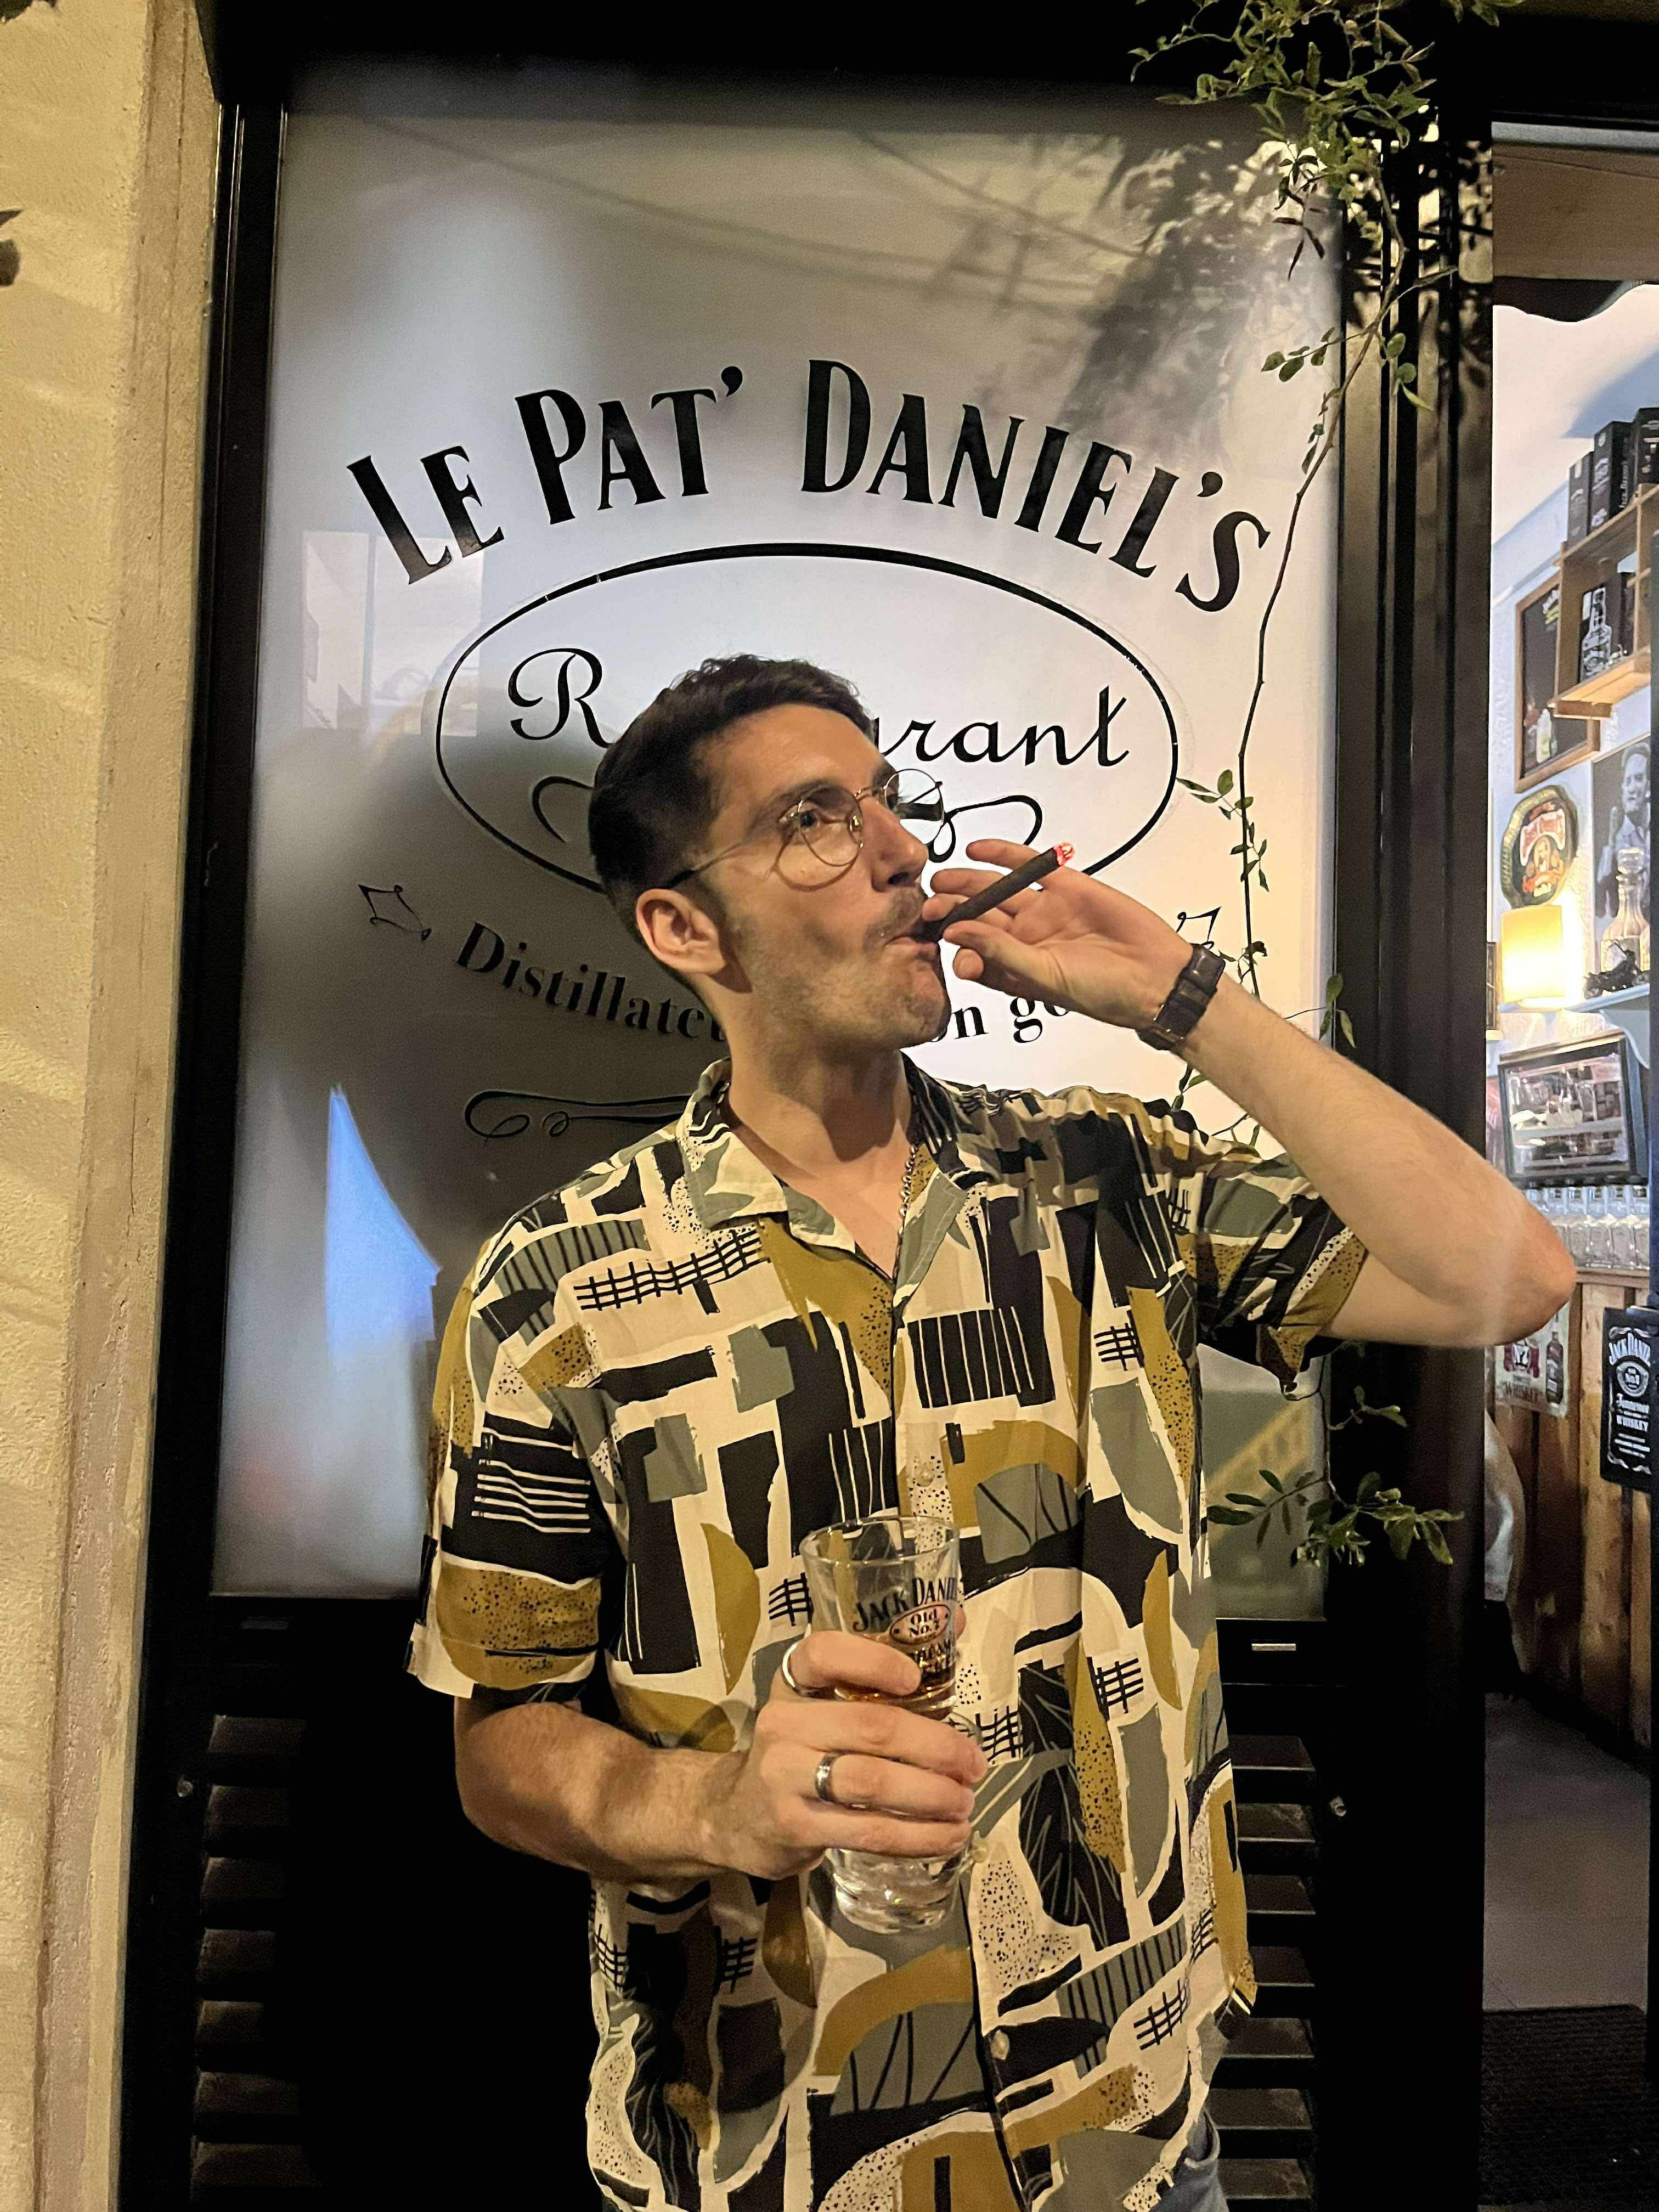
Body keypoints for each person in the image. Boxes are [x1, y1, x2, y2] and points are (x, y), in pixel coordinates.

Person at [407, 656, 1573, 2211]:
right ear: (685, 928)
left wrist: (1183, 998)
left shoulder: (1106, 1183)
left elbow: (1511, 1278)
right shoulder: (555, 1292)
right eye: (816, 822)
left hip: (1130, 2123)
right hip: (777, 2146)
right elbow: (505, 1742)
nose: (901, 848)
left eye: (889, 801)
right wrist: (714, 1807)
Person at [1595, 740, 1650, 923]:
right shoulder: (1619, 841)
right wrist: (1610, 846)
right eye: (1628, 781)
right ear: (1622, 790)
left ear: (1649, 788)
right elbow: (1602, 890)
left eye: (1639, 779)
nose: (1632, 788)